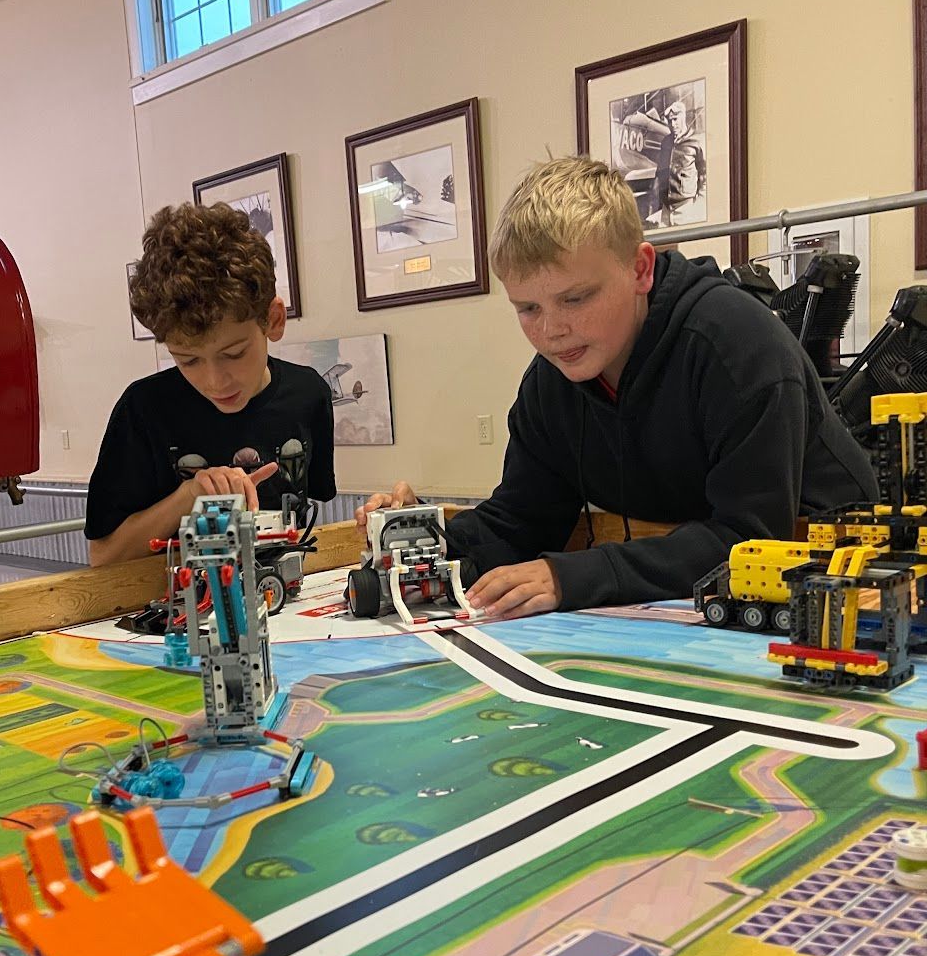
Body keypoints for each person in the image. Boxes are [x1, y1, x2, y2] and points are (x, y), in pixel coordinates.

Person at [357, 155, 877, 620]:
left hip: (839, 571)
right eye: (528, 308)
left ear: (641, 269)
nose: (551, 330)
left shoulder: (738, 346)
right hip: (694, 589)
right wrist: (417, 536)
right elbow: (522, 519)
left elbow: (751, 539)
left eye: (576, 299)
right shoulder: (550, 383)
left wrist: (572, 577)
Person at [86, 202, 335, 566]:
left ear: (274, 320)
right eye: (188, 360)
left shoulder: (308, 394)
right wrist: (189, 495)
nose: (215, 381)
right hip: (181, 608)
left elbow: (308, 521)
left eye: (233, 353)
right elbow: (104, 556)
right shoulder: (144, 409)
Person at [646, 97, 706, 226]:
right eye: (669, 121)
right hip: (666, 210)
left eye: (675, 120)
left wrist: (699, 203)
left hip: (686, 209)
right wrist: (654, 205)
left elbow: (704, 175)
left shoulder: (696, 142)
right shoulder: (666, 142)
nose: (672, 125)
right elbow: (659, 174)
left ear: (683, 117)